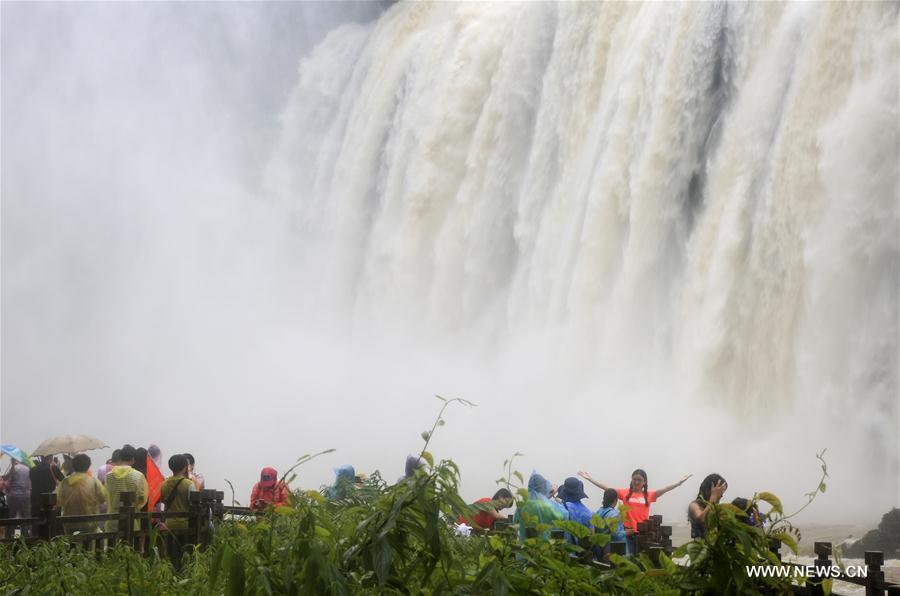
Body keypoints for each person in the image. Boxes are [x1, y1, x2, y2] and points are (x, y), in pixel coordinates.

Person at [578, 469, 691, 534]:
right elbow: (608, 488)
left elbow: (665, 489)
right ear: (631, 480)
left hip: (643, 532)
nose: (636, 482)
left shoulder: (649, 495)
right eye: (634, 479)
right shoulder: (625, 493)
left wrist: (679, 483)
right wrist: (590, 479)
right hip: (627, 531)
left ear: (644, 482)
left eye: (639, 480)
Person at [56, 454, 107, 533]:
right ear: (88, 466)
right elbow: (103, 499)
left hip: (69, 523)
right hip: (90, 523)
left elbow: (58, 501)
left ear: (73, 466)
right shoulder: (94, 481)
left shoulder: (65, 482)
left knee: (71, 542)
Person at [105, 444, 149, 531]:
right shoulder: (138, 476)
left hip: (113, 520)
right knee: (129, 544)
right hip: (131, 521)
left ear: (120, 458)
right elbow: (142, 498)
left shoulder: (109, 476)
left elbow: (106, 496)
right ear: (133, 459)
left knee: (112, 544)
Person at [514, 472, 568, 542]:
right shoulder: (549, 506)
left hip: (525, 548)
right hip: (544, 549)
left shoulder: (521, 506)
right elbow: (564, 515)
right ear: (544, 487)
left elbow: (515, 524)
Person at [159, 454, 195, 531]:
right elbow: (194, 504)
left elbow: (162, 500)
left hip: (168, 524)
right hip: (185, 524)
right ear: (185, 467)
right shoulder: (189, 484)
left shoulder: (164, 483)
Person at [687, 473, 728, 539]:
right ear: (709, 490)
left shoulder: (716, 507)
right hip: (700, 547)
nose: (721, 495)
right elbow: (703, 519)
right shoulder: (694, 505)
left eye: (722, 493)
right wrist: (713, 498)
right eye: (719, 492)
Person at [595, 488, 631, 557]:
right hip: (611, 551)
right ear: (615, 500)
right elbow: (616, 535)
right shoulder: (614, 514)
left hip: (600, 549)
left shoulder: (598, 511)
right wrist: (626, 532)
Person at [4, 458, 31, 535]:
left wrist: (4, 483)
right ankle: (25, 539)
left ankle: (9, 539)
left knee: (12, 517)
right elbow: (29, 485)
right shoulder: (27, 469)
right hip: (26, 496)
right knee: (24, 518)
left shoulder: (13, 469)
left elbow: (9, 485)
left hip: (14, 496)